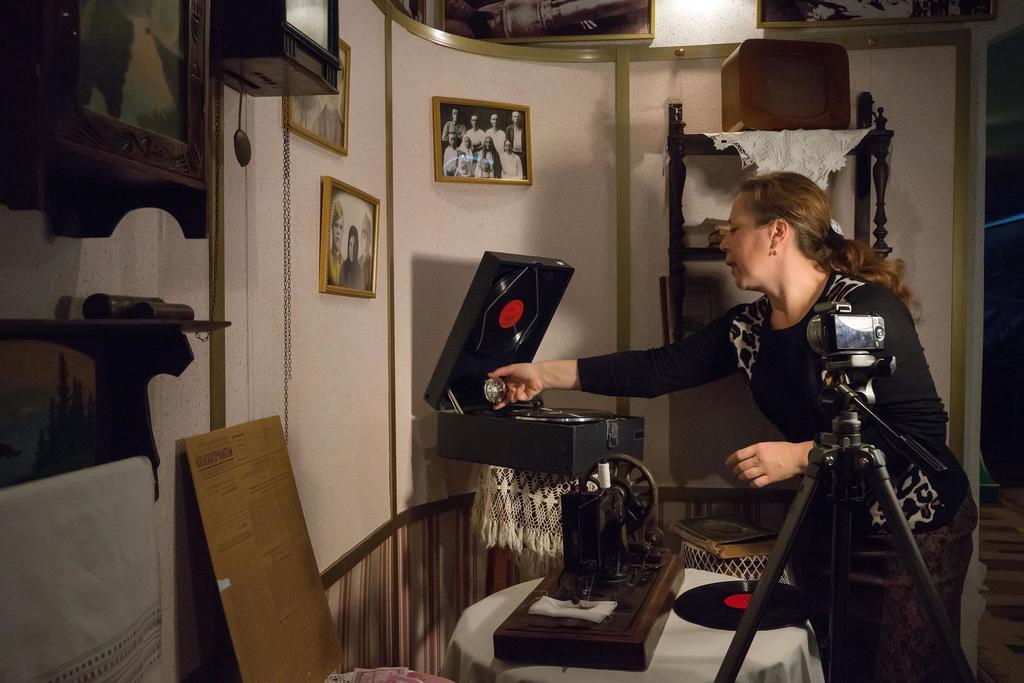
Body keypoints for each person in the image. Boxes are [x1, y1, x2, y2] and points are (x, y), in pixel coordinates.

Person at [489, 171, 975, 683]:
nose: (723, 243)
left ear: (777, 233)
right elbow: (655, 369)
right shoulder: (749, 327)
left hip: (914, 529)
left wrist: (799, 456)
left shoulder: (865, 308)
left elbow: (920, 436)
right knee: (832, 668)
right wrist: (543, 374)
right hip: (829, 528)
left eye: (734, 228)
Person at [326, 195, 345, 286]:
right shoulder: (327, 260)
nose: (338, 232)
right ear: (331, 228)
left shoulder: (344, 263)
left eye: (341, 227)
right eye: (336, 226)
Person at [340, 224, 363, 290]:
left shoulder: (359, 270)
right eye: (350, 244)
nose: (352, 248)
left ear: (357, 247)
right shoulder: (343, 266)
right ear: (348, 245)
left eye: (354, 245)